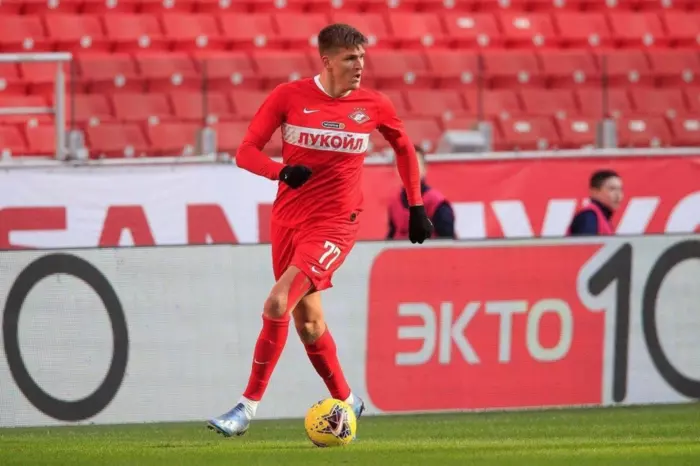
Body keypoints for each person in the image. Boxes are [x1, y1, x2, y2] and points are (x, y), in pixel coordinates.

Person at [207, 23, 434, 437]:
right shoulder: (288, 97)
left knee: (277, 302)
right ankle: (348, 400)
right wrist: (281, 171)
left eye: (362, 58)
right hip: (288, 222)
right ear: (327, 61)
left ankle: (245, 409)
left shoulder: (374, 105)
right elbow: (245, 152)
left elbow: (404, 147)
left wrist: (415, 204)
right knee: (308, 323)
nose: (359, 66)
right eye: (350, 58)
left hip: (336, 225)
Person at [387, 145, 455, 239]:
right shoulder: (394, 203)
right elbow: (390, 238)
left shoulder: (437, 203)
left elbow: (448, 242)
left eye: (414, 164)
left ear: (425, 169)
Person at [567, 169, 623, 236]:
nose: (618, 195)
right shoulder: (589, 217)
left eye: (620, 189)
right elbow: (586, 242)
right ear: (594, 192)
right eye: (612, 189)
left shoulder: (602, 217)